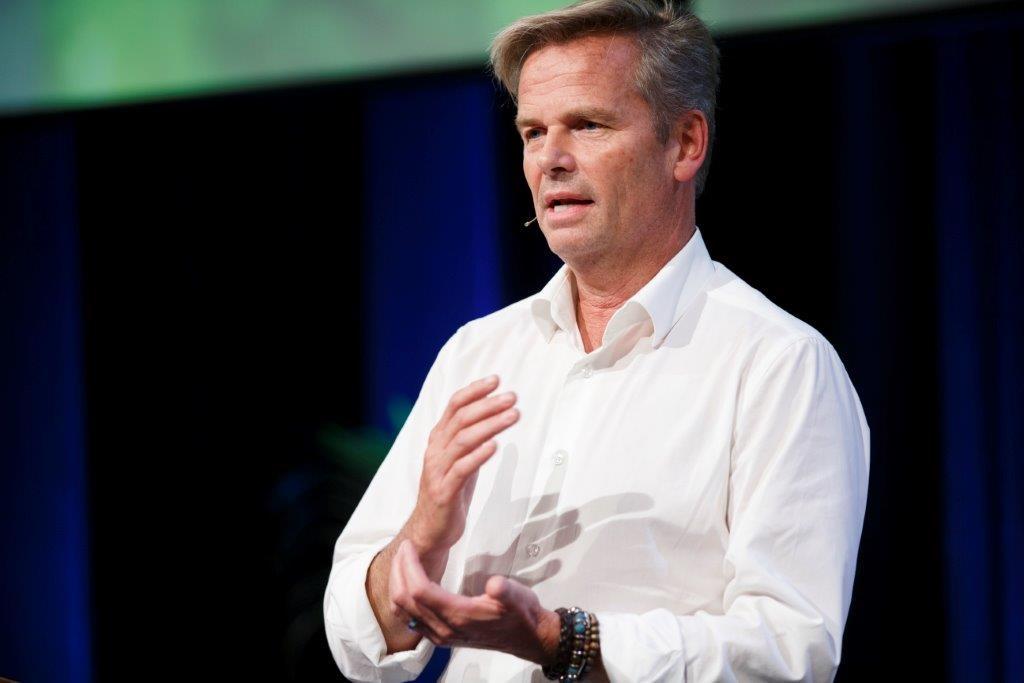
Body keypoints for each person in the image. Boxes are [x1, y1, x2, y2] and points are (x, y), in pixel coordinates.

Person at [323, 0, 870, 680]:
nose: (550, 160)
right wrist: (424, 535)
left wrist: (564, 640)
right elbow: (358, 644)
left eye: (587, 125)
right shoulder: (478, 353)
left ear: (685, 143)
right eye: (533, 132)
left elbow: (790, 650)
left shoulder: (778, 364)